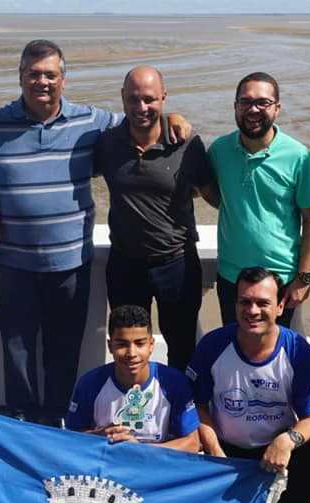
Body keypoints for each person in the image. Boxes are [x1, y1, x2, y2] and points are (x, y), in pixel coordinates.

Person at [0, 40, 191, 426]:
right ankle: (22, 424)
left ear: (63, 79)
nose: (42, 82)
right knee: (17, 350)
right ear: (20, 77)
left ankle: (58, 421)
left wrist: (174, 116)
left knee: (64, 350)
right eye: (33, 74)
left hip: (70, 264)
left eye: (50, 74)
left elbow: (140, 117)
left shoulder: (92, 122)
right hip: (12, 264)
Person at [188, 267, 310, 503]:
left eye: (263, 303)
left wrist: (288, 440)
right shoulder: (213, 345)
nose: (252, 311)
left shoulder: (296, 350)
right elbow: (196, 405)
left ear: (280, 306)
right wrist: (214, 449)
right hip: (226, 447)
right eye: (245, 302)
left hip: (275, 448)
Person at [94, 65, 214, 371]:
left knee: (183, 347)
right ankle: (134, 399)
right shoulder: (107, 143)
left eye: (149, 99)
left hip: (177, 263)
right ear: (122, 98)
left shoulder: (186, 143)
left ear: (164, 97)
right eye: (133, 99)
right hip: (125, 265)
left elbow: (213, 195)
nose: (141, 107)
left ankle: (179, 400)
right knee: (128, 348)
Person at [205, 72, 310, 328]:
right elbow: (208, 191)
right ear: (235, 107)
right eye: (245, 102)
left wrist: (304, 278)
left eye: (263, 102)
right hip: (231, 277)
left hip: (281, 279)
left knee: (277, 350)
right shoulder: (219, 150)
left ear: (277, 108)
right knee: (235, 346)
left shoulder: (298, 156)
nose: (253, 109)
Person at [66, 305, 200, 452]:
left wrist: (139, 451)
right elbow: (69, 439)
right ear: (110, 346)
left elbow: (192, 443)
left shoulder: (174, 382)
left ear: (151, 345)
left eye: (140, 343)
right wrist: (99, 436)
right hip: (105, 463)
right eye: (122, 344)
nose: (131, 353)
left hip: (155, 464)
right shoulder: (89, 383)